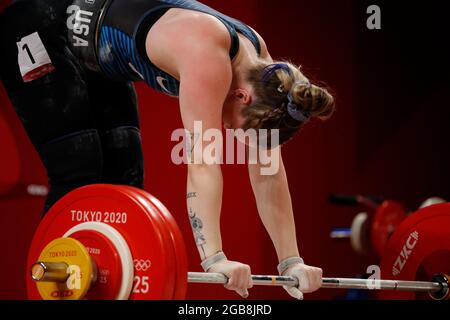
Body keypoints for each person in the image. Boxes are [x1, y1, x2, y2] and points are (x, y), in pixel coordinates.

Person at [0, 0, 335, 299]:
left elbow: (268, 172)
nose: (233, 131)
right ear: (241, 97)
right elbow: (203, 164)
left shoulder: (265, 74)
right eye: (240, 128)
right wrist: (215, 259)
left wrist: (291, 261)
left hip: (99, 64)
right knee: (79, 171)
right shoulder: (207, 55)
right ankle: (48, 280)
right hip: (39, 27)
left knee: (124, 186)